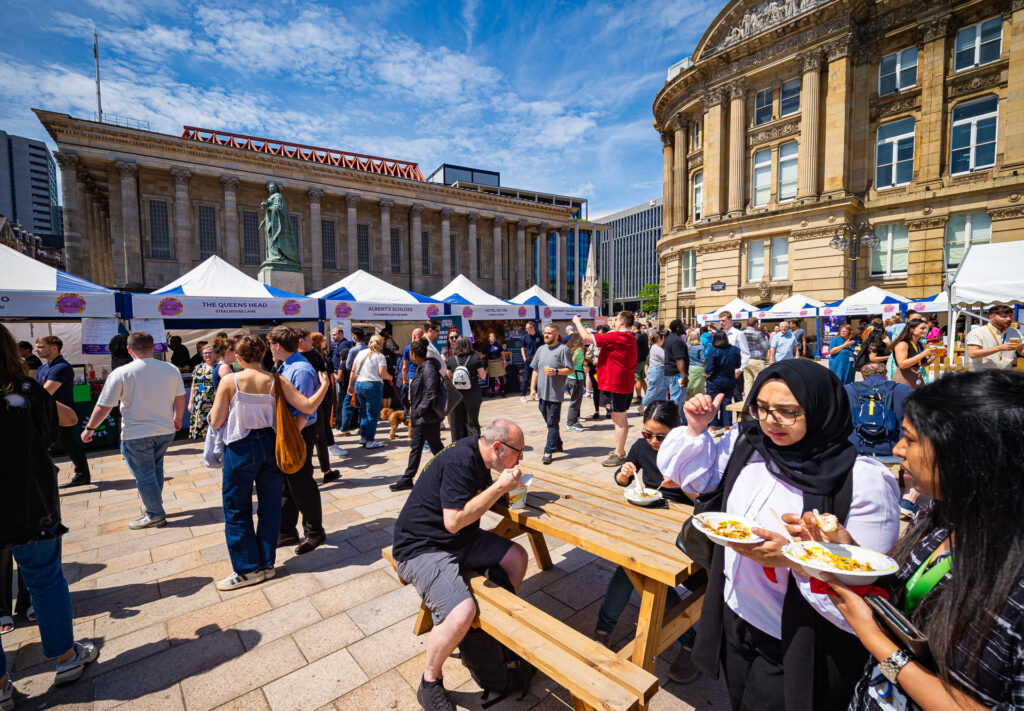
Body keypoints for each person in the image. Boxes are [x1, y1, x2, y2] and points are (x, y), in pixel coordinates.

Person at [658, 360, 901, 711]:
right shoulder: (750, 445)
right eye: (763, 407)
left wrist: (796, 557)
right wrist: (696, 429)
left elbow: (868, 579)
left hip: (798, 638)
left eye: (788, 411)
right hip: (736, 613)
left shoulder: (862, 480)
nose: (772, 420)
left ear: (821, 409)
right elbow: (697, 482)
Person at [820, 370, 1024, 711]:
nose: (898, 449)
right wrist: (843, 546)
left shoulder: (1014, 587)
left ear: (970, 454)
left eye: (911, 439)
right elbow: (904, 594)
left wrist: (875, 640)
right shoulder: (942, 515)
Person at [391, 420, 529, 711]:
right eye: (519, 451)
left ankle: (494, 639)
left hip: (458, 541)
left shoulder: (479, 457)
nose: (521, 458)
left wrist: (501, 488)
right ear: (497, 447)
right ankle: (430, 681)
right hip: (422, 547)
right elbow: (453, 522)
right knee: (461, 610)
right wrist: (499, 487)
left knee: (516, 557)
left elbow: (465, 507)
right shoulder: (461, 461)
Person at [0, 325, 99, 705]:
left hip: (25, 501)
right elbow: (68, 420)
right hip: (29, 500)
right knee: (43, 579)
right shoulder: (25, 391)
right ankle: (66, 657)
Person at [207, 334, 329, 590]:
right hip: (271, 445)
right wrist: (325, 386)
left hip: (240, 446)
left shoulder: (230, 380)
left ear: (238, 358)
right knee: (270, 506)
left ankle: (248, 569)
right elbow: (307, 406)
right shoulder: (276, 379)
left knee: (237, 507)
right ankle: (267, 563)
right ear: (263, 354)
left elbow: (217, 421)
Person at [596, 400, 696, 683]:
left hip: (682, 526)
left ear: (676, 431)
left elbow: (707, 503)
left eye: (660, 436)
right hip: (647, 520)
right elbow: (622, 482)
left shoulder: (690, 452)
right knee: (633, 567)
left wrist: (683, 487)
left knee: (636, 570)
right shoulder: (642, 447)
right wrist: (624, 474)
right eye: (647, 434)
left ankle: (604, 630)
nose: (652, 441)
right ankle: (690, 641)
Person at [82, 332, 185, 529]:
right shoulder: (171, 369)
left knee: (145, 475)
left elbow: (104, 405)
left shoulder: (121, 373)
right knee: (155, 471)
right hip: (164, 429)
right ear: (153, 347)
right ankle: (155, 507)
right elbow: (179, 397)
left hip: (137, 434)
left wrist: (90, 428)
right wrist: (177, 417)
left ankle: (155, 513)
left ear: (129, 350)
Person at [268, 326, 326, 555]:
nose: (269, 347)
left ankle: (314, 532)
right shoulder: (287, 364)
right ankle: (286, 530)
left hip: (298, 431)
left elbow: (305, 410)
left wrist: (290, 437)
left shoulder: (300, 369)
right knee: (286, 482)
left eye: (270, 343)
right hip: (290, 431)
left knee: (301, 482)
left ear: (277, 345)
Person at [573, 312, 639, 467]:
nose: (614, 322)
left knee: (619, 420)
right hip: (621, 384)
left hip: (616, 385)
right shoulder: (627, 336)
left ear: (622, 322)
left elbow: (587, 338)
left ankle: (619, 454)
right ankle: (619, 450)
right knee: (619, 418)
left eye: (616, 320)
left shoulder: (620, 337)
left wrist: (577, 322)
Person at [33, 336, 92, 489]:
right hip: (51, 414)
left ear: (54, 348)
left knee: (42, 448)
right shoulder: (44, 368)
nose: (36, 350)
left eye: (40, 346)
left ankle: (49, 478)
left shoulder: (61, 367)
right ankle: (82, 474)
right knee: (70, 444)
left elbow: (45, 392)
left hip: (59, 415)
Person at [390, 338, 444, 492]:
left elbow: (431, 392)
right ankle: (407, 479)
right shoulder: (422, 367)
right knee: (416, 447)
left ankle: (451, 471)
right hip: (421, 417)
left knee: (437, 448)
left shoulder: (428, 368)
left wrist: (419, 409)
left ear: (413, 354)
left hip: (427, 417)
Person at [297, 330, 341, 483]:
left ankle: (326, 470)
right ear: (301, 341)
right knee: (312, 438)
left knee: (319, 437)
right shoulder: (301, 357)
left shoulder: (313, 354)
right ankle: (311, 473)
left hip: (318, 401)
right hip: (310, 402)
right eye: (308, 339)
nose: (311, 341)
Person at [530, 324, 573, 465]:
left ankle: (548, 451)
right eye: (545, 333)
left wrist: (556, 371)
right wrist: (532, 389)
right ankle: (558, 444)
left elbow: (570, 369)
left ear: (556, 335)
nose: (546, 335)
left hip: (555, 394)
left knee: (552, 424)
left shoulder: (563, 349)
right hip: (542, 394)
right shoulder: (541, 349)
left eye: (549, 333)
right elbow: (535, 370)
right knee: (550, 423)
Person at [349, 334, 392, 449]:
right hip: (373, 385)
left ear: (369, 343)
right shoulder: (380, 356)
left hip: (359, 385)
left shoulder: (360, 353)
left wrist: (350, 385)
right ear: (381, 344)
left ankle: (363, 437)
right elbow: (382, 374)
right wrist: (391, 377)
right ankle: (370, 441)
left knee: (364, 413)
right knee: (372, 415)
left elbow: (353, 371)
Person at [446, 336, 486, 440]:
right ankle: (473, 445)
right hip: (472, 392)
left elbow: (448, 376)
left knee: (456, 422)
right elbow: (483, 375)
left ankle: (457, 446)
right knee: (472, 421)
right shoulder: (475, 358)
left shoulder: (451, 359)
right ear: (469, 345)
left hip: (455, 395)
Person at [966, 303, 1024, 371]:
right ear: (991, 317)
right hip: (983, 376)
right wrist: (999, 348)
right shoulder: (977, 332)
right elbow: (973, 353)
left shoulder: (1014, 331)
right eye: (1004, 316)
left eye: (1010, 316)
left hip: (1006, 374)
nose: (1008, 319)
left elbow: (1021, 349)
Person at [704, 330, 742, 429]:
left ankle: (713, 425)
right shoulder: (735, 350)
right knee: (727, 402)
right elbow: (738, 365)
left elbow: (710, 368)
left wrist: (706, 375)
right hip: (729, 379)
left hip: (715, 380)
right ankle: (727, 426)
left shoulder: (714, 350)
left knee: (713, 402)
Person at [890, 318, 936, 389]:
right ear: (911, 329)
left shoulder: (919, 344)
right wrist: (923, 354)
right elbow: (902, 364)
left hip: (917, 378)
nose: (925, 331)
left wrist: (933, 358)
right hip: (904, 380)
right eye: (922, 328)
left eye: (926, 328)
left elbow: (922, 364)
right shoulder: (902, 344)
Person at [187, 342, 218, 439]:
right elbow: (194, 385)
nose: (207, 355)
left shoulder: (219, 367)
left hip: (213, 401)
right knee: (202, 431)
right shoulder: (198, 367)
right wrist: (191, 401)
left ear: (215, 353)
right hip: (199, 401)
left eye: (210, 352)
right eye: (205, 353)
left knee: (213, 427)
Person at [340, 328, 366, 435]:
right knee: (362, 406)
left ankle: (345, 428)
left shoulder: (353, 350)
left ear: (355, 336)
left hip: (355, 380)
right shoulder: (368, 349)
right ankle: (361, 427)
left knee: (348, 404)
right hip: (366, 379)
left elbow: (348, 366)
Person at [663, 319, 690, 415]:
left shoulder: (671, 338)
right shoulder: (676, 341)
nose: (684, 327)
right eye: (682, 325)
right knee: (677, 401)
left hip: (672, 373)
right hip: (676, 374)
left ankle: (680, 422)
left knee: (679, 400)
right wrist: (684, 376)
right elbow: (679, 359)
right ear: (678, 328)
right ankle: (674, 423)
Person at [639, 330, 666, 413]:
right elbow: (666, 358)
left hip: (659, 370)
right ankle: (642, 406)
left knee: (661, 391)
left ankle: (658, 408)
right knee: (653, 390)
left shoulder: (655, 347)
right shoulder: (656, 348)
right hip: (657, 371)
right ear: (659, 339)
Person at [565, 333, 588, 431]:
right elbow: (571, 363)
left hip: (570, 378)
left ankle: (574, 421)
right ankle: (570, 424)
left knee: (575, 401)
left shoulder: (570, 349)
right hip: (576, 378)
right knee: (575, 402)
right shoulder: (579, 350)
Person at [400, 327, 425, 415]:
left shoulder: (407, 348)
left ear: (414, 336)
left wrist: (404, 379)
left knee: (413, 403)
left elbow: (404, 366)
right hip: (424, 376)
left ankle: (413, 423)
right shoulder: (426, 347)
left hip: (412, 377)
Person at [742, 317, 769, 394]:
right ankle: (757, 402)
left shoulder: (741, 333)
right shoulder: (758, 334)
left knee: (748, 383)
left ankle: (747, 403)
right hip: (757, 360)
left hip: (745, 360)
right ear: (756, 324)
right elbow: (766, 347)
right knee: (760, 383)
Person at [519, 320, 542, 403]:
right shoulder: (525, 337)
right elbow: (522, 347)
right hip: (529, 359)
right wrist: (524, 356)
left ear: (532, 328)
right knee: (527, 378)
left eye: (527, 328)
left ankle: (538, 394)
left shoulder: (540, 336)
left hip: (538, 360)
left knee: (539, 378)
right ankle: (523, 395)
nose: (526, 330)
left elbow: (544, 347)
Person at [484, 332, 508, 397]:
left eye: (493, 336)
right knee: (492, 378)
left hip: (499, 362)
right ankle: (493, 392)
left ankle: (503, 392)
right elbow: (484, 354)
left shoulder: (498, 345)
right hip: (491, 363)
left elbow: (503, 353)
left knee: (501, 377)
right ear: (488, 338)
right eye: (491, 337)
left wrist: (504, 362)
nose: (493, 338)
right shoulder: (487, 346)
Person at [686, 330, 706, 398]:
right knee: (699, 387)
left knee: (690, 385)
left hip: (689, 368)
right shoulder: (700, 347)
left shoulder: (686, 346)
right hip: (699, 368)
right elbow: (703, 360)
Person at [633, 323, 650, 403]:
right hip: (644, 359)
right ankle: (647, 395)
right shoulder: (644, 336)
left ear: (634, 327)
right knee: (642, 379)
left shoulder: (636, 337)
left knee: (638, 379)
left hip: (638, 360)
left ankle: (639, 397)